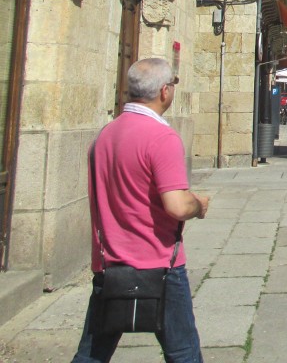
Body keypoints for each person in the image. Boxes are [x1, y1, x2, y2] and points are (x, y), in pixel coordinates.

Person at [72, 58, 210, 363]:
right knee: (183, 352)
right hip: (159, 263)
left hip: (109, 264)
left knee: (92, 354)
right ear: (164, 91)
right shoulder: (161, 138)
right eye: (173, 83)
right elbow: (176, 205)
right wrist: (198, 205)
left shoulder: (105, 135)